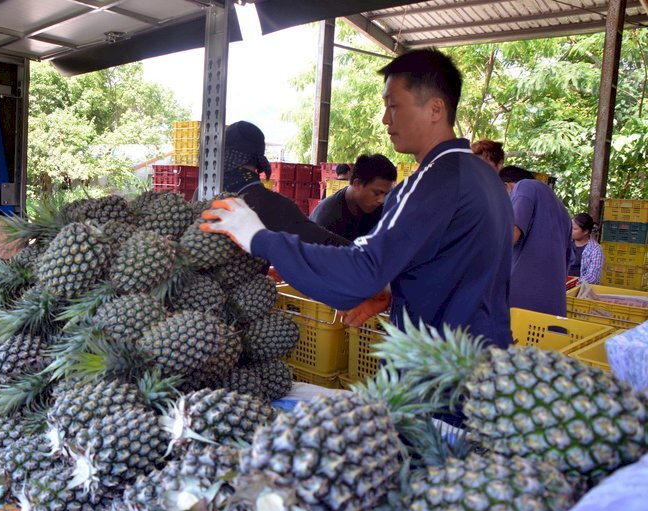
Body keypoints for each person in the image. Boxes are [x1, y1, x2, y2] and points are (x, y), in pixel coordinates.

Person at [202, 49, 514, 348]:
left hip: (439, 371)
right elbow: (455, 267)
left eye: (393, 106)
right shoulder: (483, 176)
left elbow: (361, 272)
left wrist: (259, 237)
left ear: (435, 109)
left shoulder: (433, 181)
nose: (385, 120)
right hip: (480, 356)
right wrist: (393, 292)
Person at [220, 121, 350, 247]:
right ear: (258, 163)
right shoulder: (273, 204)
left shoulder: (206, 192)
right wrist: (363, 256)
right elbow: (320, 239)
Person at [500, 165, 572, 316]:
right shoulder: (562, 211)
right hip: (552, 306)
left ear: (506, 185)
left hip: (519, 302)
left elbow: (509, 237)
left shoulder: (524, 186)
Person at [309, 154, 397, 240]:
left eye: (386, 194)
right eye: (377, 193)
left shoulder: (380, 208)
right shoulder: (326, 219)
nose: (381, 200)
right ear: (357, 184)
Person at [569, 212, 603, 284]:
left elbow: (592, 276)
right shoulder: (566, 243)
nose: (570, 231)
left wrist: (573, 284)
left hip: (582, 289)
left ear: (585, 231)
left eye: (574, 229)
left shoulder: (595, 250)